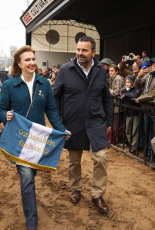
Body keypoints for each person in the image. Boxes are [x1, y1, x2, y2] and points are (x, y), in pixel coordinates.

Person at [0, 45, 70, 230]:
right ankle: (31, 220)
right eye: (27, 60)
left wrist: (62, 129)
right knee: (27, 176)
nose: (32, 63)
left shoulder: (44, 83)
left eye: (33, 59)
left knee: (32, 172)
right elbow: (0, 109)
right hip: (19, 138)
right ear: (19, 64)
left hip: (38, 140)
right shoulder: (9, 84)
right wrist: (4, 115)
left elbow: (51, 110)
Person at [53, 36, 113, 213]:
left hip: (96, 122)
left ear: (93, 52)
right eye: (78, 49)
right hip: (73, 122)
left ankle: (97, 195)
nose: (80, 53)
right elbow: (55, 96)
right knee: (74, 161)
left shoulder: (101, 70)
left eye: (84, 50)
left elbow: (106, 98)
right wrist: (58, 121)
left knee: (101, 157)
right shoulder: (65, 70)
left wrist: (109, 120)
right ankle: (76, 189)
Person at [134, 57, 155, 156]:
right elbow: (137, 85)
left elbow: (154, 93)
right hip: (146, 107)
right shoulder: (149, 74)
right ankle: (148, 152)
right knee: (147, 131)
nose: (152, 65)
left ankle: (154, 154)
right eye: (152, 64)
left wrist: (140, 99)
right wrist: (139, 77)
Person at [120, 75, 141, 153]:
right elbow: (121, 99)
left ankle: (134, 148)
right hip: (128, 112)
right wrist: (122, 95)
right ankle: (131, 145)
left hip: (135, 113)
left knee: (134, 131)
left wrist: (125, 95)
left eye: (129, 82)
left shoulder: (137, 89)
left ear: (132, 82)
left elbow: (135, 95)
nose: (127, 84)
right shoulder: (124, 90)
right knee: (128, 131)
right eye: (126, 82)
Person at [108, 64, 125, 145]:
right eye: (109, 70)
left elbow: (116, 92)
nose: (110, 72)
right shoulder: (112, 78)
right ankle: (116, 141)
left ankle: (121, 141)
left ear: (116, 71)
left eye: (112, 71)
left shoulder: (118, 78)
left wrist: (106, 90)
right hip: (114, 105)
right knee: (115, 124)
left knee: (118, 125)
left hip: (118, 105)